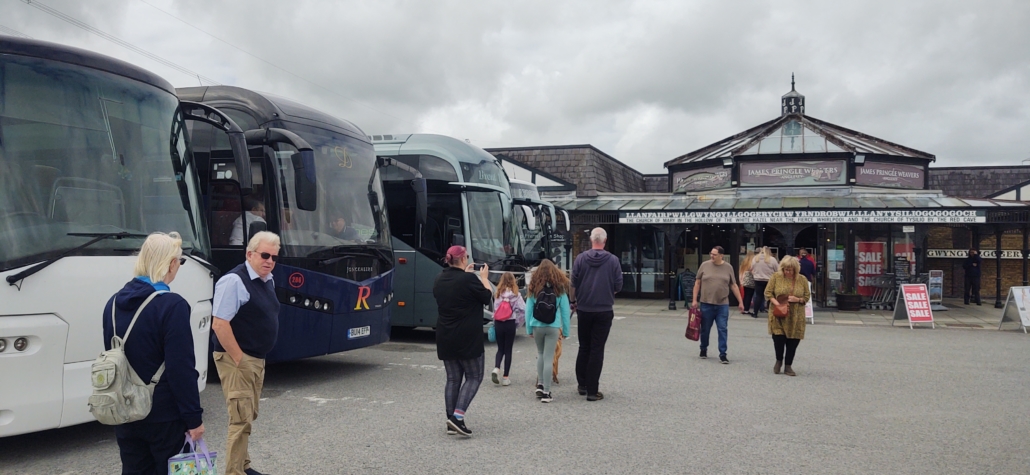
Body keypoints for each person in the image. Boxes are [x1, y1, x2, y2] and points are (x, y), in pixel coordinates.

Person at [103, 232, 204, 475]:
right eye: (179, 262)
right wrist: (194, 418)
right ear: (171, 263)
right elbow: (181, 368)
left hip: (126, 411)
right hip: (164, 416)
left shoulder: (113, 303)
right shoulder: (173, 305)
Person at [211, 231, 281, 475]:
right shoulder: (234, 281)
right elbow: (219, 323)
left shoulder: (267, 279)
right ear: (249, 254)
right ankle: (234, 472)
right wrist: (239, 359)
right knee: (240, 419)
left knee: (248, 415)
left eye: (274, 256)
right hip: (237, 359)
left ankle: (244, 466)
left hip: (256, 358)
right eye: (264, 255)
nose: (269, 261)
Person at [432, 245, 492, 437]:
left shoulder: (439, 278)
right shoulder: (469, 279)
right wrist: (483, 278)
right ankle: (458, 417)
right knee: (474, 376)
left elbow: (455, 292)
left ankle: (451, 418)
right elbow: (486, 296)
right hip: (467, 336)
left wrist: (468, 276)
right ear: (464, 259)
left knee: (453, 378)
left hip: (445, 334)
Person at [571, 227, 623, 401]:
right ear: (605, 240)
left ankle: (582, 384)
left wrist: (573, 301)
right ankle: (593, 390)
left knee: (583, 346)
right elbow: (618, 285)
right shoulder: (613, 261)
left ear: (591, 240)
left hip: (584, 308)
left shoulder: (580, 259)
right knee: (597, 348)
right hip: (604, 309)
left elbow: (574, 282)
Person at [525, 259, 572, 403]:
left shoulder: (534, 287)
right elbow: (565, 310)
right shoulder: (560, 288)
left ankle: (539, 384)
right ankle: (546, 392)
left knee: (540, 354)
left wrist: (529, 329)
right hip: (553, 326)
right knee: (549, 357)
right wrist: (566, 331)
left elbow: (528, 310)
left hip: (537, 325)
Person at [692, 246, 746, 364]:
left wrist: (740, 302)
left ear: (721, 255)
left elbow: (733, 285)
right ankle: (703, 348)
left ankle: (723, 354)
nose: (712, 256)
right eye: (711, 254)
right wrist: (694, 300)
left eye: (714, 254)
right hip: (706, 303)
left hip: (722, 304)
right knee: (705, 329)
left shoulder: (728, 267)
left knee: (722, 328)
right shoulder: (704, 265)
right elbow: (697, 283)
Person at [764, 256, 810, 377]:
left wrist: (798, 299)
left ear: (796, 269)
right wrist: (777, 304)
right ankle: (779, 360)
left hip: (796, 315)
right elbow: (768, 292)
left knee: (793, 340)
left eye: (790, 270)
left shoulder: (802, 279)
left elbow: (807, 297)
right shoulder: (776, 277)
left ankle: (788, 365)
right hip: (778, 313)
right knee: (778, 338)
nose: (787, 272)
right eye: (785, 269)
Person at [491, 272, 526, 387]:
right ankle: (506, 377)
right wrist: (518, 323)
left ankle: (496, 368)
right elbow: (523, 310)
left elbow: (495, 311)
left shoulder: (498, 294)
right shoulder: (516, 295)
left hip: (499, 324)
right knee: (508, 350)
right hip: (510, 323)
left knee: (500, 348)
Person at [750, 247, 779, 318]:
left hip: (758, 279)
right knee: (770, 296)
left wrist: (755, 274)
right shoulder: (772, 259)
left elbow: (751, 268)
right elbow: (777, 270)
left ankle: (755, 312)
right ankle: (770, 313)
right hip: (769, 280)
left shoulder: (755, 258)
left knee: (758, 296)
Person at [739, 249, 756, 316]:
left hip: (744, 281)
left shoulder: (744, 262)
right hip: (750, 281)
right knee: (749, 295)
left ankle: (743, 308)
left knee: (746, 295)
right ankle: (746, 309)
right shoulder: (752, 263)